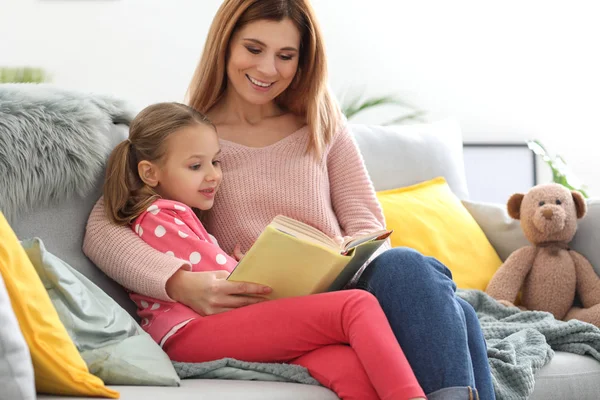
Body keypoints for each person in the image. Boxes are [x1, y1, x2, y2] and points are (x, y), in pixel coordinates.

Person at [84, 1, 495, 399]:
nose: (267, 69)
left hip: (344, 288)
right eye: (253, 49)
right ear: (225, 44)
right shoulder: (189, 138)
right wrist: (178, 282)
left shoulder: (321, 123)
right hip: (263, 302)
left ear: (302, 62)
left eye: (285, 55)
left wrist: (337, 263)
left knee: (407, 266)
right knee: (462, 317)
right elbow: (104, 230)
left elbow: (367, 224)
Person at [101, 101, 425, 400]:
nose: (213, 175)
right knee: (355, 305)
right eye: (195, 166)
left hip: (208, 330)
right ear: (149, 172)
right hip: (188, 333)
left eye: (215, 161)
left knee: (345, 363)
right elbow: (227, 285)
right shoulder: (161, 216)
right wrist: (255, 269)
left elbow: (213, 273)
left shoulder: (174, 214)